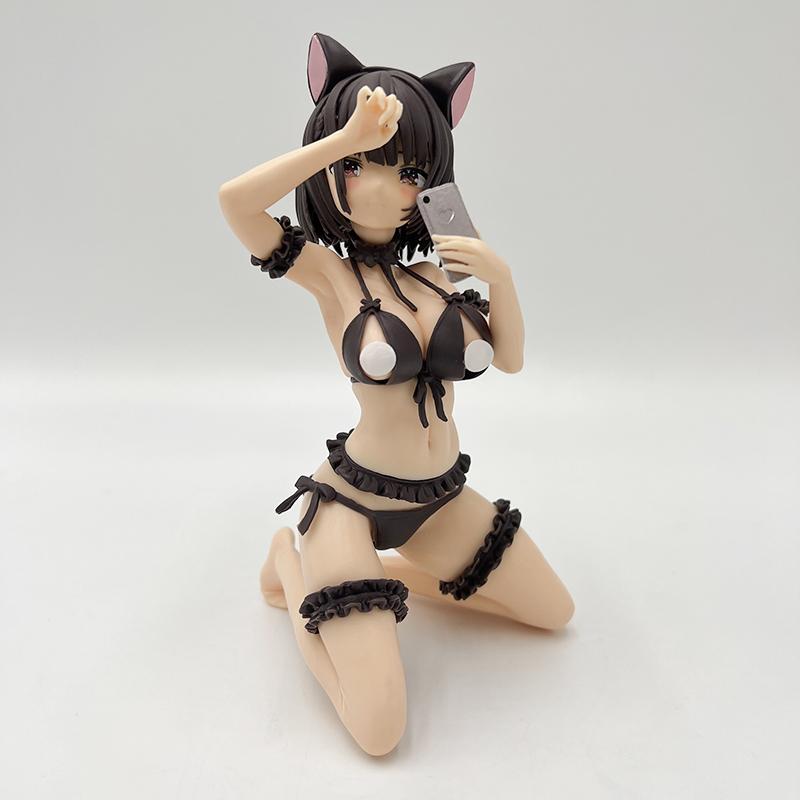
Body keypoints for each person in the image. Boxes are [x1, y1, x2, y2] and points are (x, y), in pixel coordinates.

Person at [218, 32, 574, 757]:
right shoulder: (329, 274)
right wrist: (341, 139)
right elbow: (236, 203)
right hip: (352, 504)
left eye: (407, 171)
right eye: (359, 169)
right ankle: (291, 563)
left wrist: (501, 279)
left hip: (439, 499)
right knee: (379, 731)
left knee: (553, 612)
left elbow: (509, 361)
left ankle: (378, 582)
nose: (383, 188)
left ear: (430, 182)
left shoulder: (439, 272)